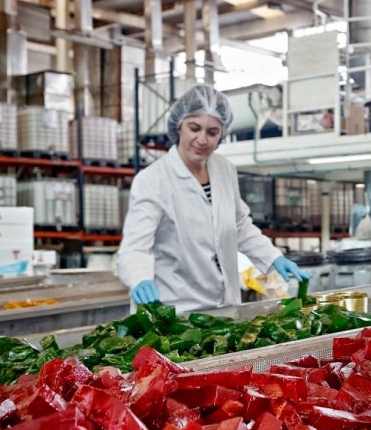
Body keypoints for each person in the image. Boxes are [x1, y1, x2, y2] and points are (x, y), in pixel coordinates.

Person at [117, 84, 310, 312]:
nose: (202, 139)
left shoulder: (223, 169)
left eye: (212, 132)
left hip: (225, 306)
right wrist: (139, 277)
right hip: (176, 310)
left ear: (222, 134)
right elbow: (135, 246)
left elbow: (239, 225)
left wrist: (273, 257)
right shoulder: (153, 180)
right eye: (194, 128)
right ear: (179, 127)